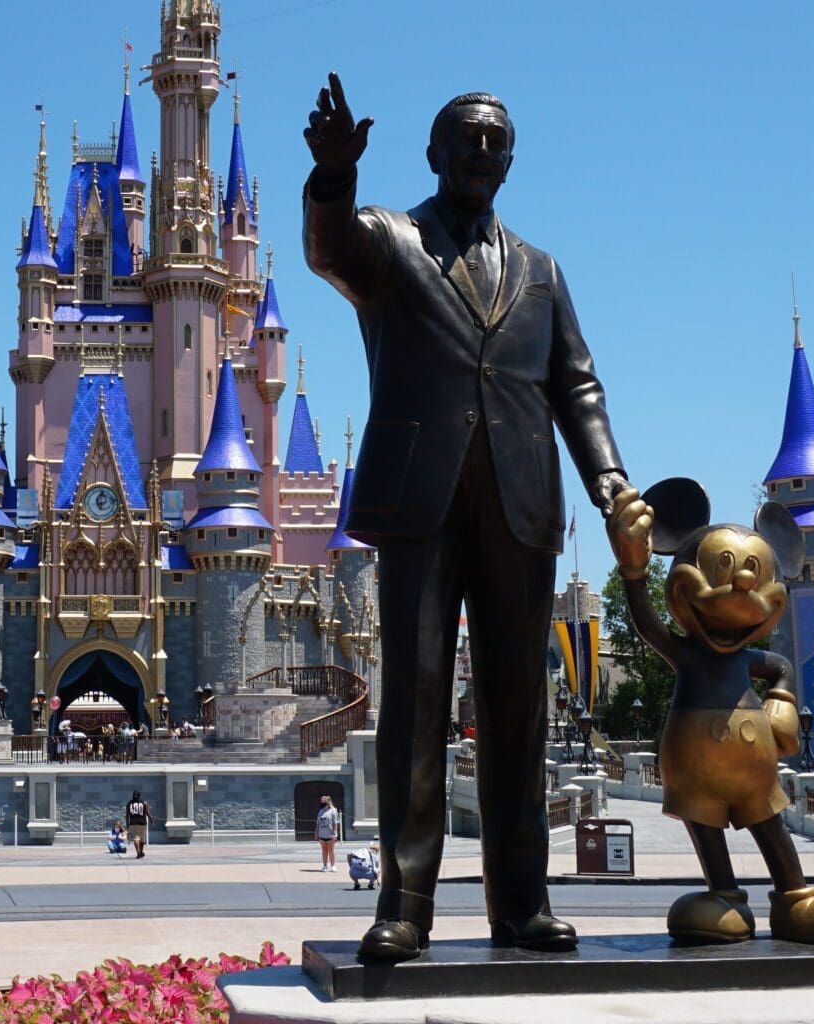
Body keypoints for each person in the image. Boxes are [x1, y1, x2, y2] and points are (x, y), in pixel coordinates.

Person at [303, 74, 630, 961]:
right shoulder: (393, 242)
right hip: (421, 499)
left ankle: (521, 904)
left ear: (511, 158)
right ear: (434, 155)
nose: (483, 151)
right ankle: (405, 906)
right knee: (413, 702)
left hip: (523, 503)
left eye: (497, 140)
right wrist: (331, 179)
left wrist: (609, 483)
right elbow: (329, 252)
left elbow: (578, 385)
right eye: (467, 139)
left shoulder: (542, 270)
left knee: (520, 708)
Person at [314, 795, 340, 872]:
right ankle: (325, 866)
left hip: (330, 834)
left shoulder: (333, 810)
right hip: (322, 834)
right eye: (321, 800)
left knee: (331, 850)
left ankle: (333, 866)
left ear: (328, 801)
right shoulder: (321, 811)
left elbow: (336, 822)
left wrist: (334, 833)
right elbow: (318, 823)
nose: (322, 802)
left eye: (324, 800)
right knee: (324, 850)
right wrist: (316, 833)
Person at [125, 791, 153, 859]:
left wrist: (127, 823)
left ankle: (138, 852)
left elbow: (127, 815)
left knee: (136, 838)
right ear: (139, 796)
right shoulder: (144, 803)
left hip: (133, 822)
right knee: (142, 839)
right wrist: (152, 822)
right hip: (142, 822)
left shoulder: (129, 803)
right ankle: (141, 852)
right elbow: (148, 813)